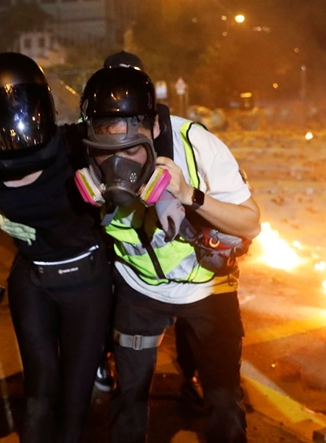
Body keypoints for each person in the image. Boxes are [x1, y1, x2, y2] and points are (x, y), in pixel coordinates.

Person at [79, 66, 260, 443]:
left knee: (225, 404)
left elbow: (250, 224)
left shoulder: (195, 143)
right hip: (139, 289)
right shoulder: (81, 155)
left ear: (155, 129)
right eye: (106, 152)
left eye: (132, 149)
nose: (119, 166)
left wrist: (189, 195)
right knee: (128, 399)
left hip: (209, 289)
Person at [0, 52, 113, 443]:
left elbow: (131, 142)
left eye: (23, 107)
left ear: (43, 106)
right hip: (32, 280)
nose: (15, 123)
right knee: (38, 393)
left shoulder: (75, 144)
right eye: (2, 112)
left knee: (75, 394)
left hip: (88, 281)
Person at [96, 51, 204, 409]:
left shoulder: (178, 134)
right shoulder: (94, 136)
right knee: (106, 301)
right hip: (134, 268)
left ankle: (190, 376)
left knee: (192, 323)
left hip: (185, 265)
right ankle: (106, 361)